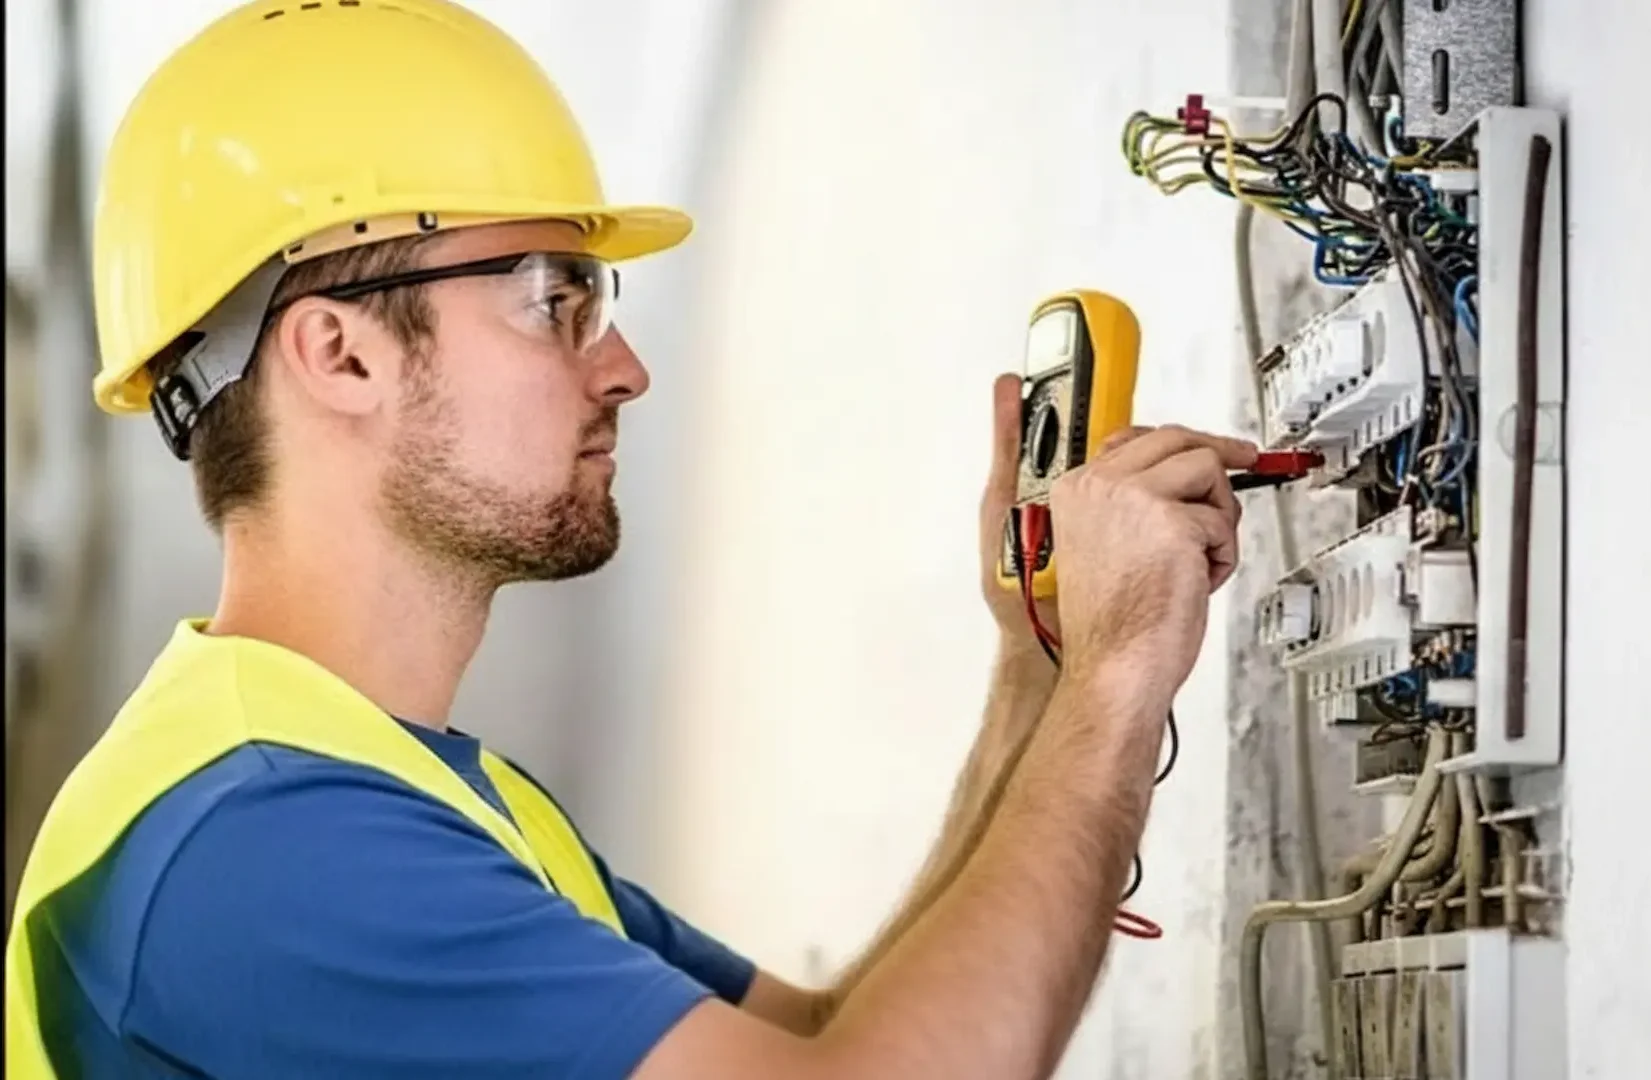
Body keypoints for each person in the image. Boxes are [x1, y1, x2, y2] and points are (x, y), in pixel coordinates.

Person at [3, 1, 1258, 1077]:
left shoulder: (408, 795)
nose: (625, 367)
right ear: (342, 353)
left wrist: (1038, 663)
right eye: (556, 300)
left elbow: (840, 1037)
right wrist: (1121, 668)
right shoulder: (263, 843)